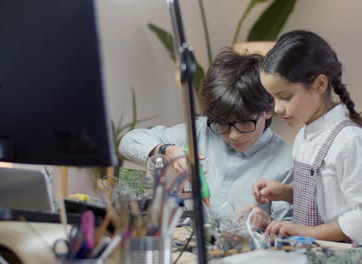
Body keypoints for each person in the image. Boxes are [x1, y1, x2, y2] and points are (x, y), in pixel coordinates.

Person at [252, 30, 362, 245]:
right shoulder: (304, 136)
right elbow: (330, 200)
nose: (278, 108)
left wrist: (307, 233)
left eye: (286, 97)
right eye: (273, 98)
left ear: (320, 84)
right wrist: (287, 193)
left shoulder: (350, 141)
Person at [119, 48, 293, 220]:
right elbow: (128, 141)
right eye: (222, 124)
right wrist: (167, 150)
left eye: (244, 123)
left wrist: (266, 222)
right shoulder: (202, 131)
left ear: (269, 109)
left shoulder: (286, 161)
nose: (232, 135)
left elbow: (291, 232)